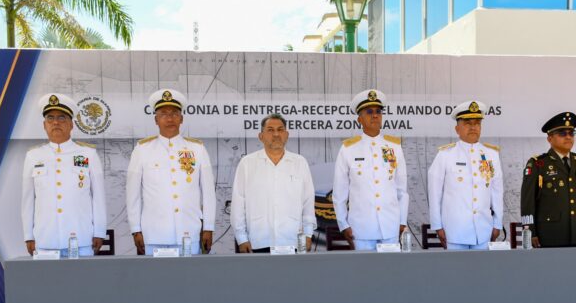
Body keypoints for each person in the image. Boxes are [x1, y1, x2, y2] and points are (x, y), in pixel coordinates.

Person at [126, 89, 215, 255]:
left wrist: (209, 227)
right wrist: (135, 228)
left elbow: (209, 193)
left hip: (188, 232)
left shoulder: (197, 149)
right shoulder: (142, 149)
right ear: (156, 120)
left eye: (174, 113)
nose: (169, 118)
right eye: (163, 114)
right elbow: (133, 195)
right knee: (154, 280)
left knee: (189, 280)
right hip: (153, 234)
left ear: (181, 119)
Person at [21, 93, 106, 257]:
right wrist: (28, 235)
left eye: (62, 118)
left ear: (71, 124)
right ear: (44, 125)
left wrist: (99, 231)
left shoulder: (87, 154)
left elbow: (98, 197)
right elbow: (28, 200)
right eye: (50, 118)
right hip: (45, 240)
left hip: (81, 238)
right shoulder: (34, 156)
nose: (55, 122)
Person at [332, 89, 409, 251]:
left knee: (391, 274)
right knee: (364, 274)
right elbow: (340, 193)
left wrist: (402, 221)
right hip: (361, 228)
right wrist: (343, 224)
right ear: (360, 119)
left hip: (390, 226)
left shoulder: (394, 147)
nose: (375, 115)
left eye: (378, 112)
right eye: (369, 112)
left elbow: (402, 190)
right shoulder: (348, 149)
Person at [231, 114, 316, 253]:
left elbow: (307, 202)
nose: (276, 134)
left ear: (287, 135)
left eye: (280, 130)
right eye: (270, 130)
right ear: (261, 136)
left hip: (292, 241)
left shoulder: (300, 162)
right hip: (257, 241)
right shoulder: (247, 163)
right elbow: (238, 204)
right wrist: (242, 238)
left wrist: (308, 234)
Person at [428, 100, 503, 250]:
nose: (473, 127)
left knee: (482, 273)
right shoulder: (445, 155)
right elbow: (434, 193)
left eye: (477, 123)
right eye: (468, 123)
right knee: (455, 273)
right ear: (457, 129)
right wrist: (437, 225)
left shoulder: (491, 155)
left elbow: (497, 192)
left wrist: (497, 223)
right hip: (455, 230)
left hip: (483, 230)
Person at [520, 111, 576, 248]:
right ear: (550, 139)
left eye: (571, 133)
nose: (568, 137)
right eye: (562, 134)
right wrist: (530, 232)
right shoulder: (538, 164)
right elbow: (527, 202)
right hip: (548, 236)